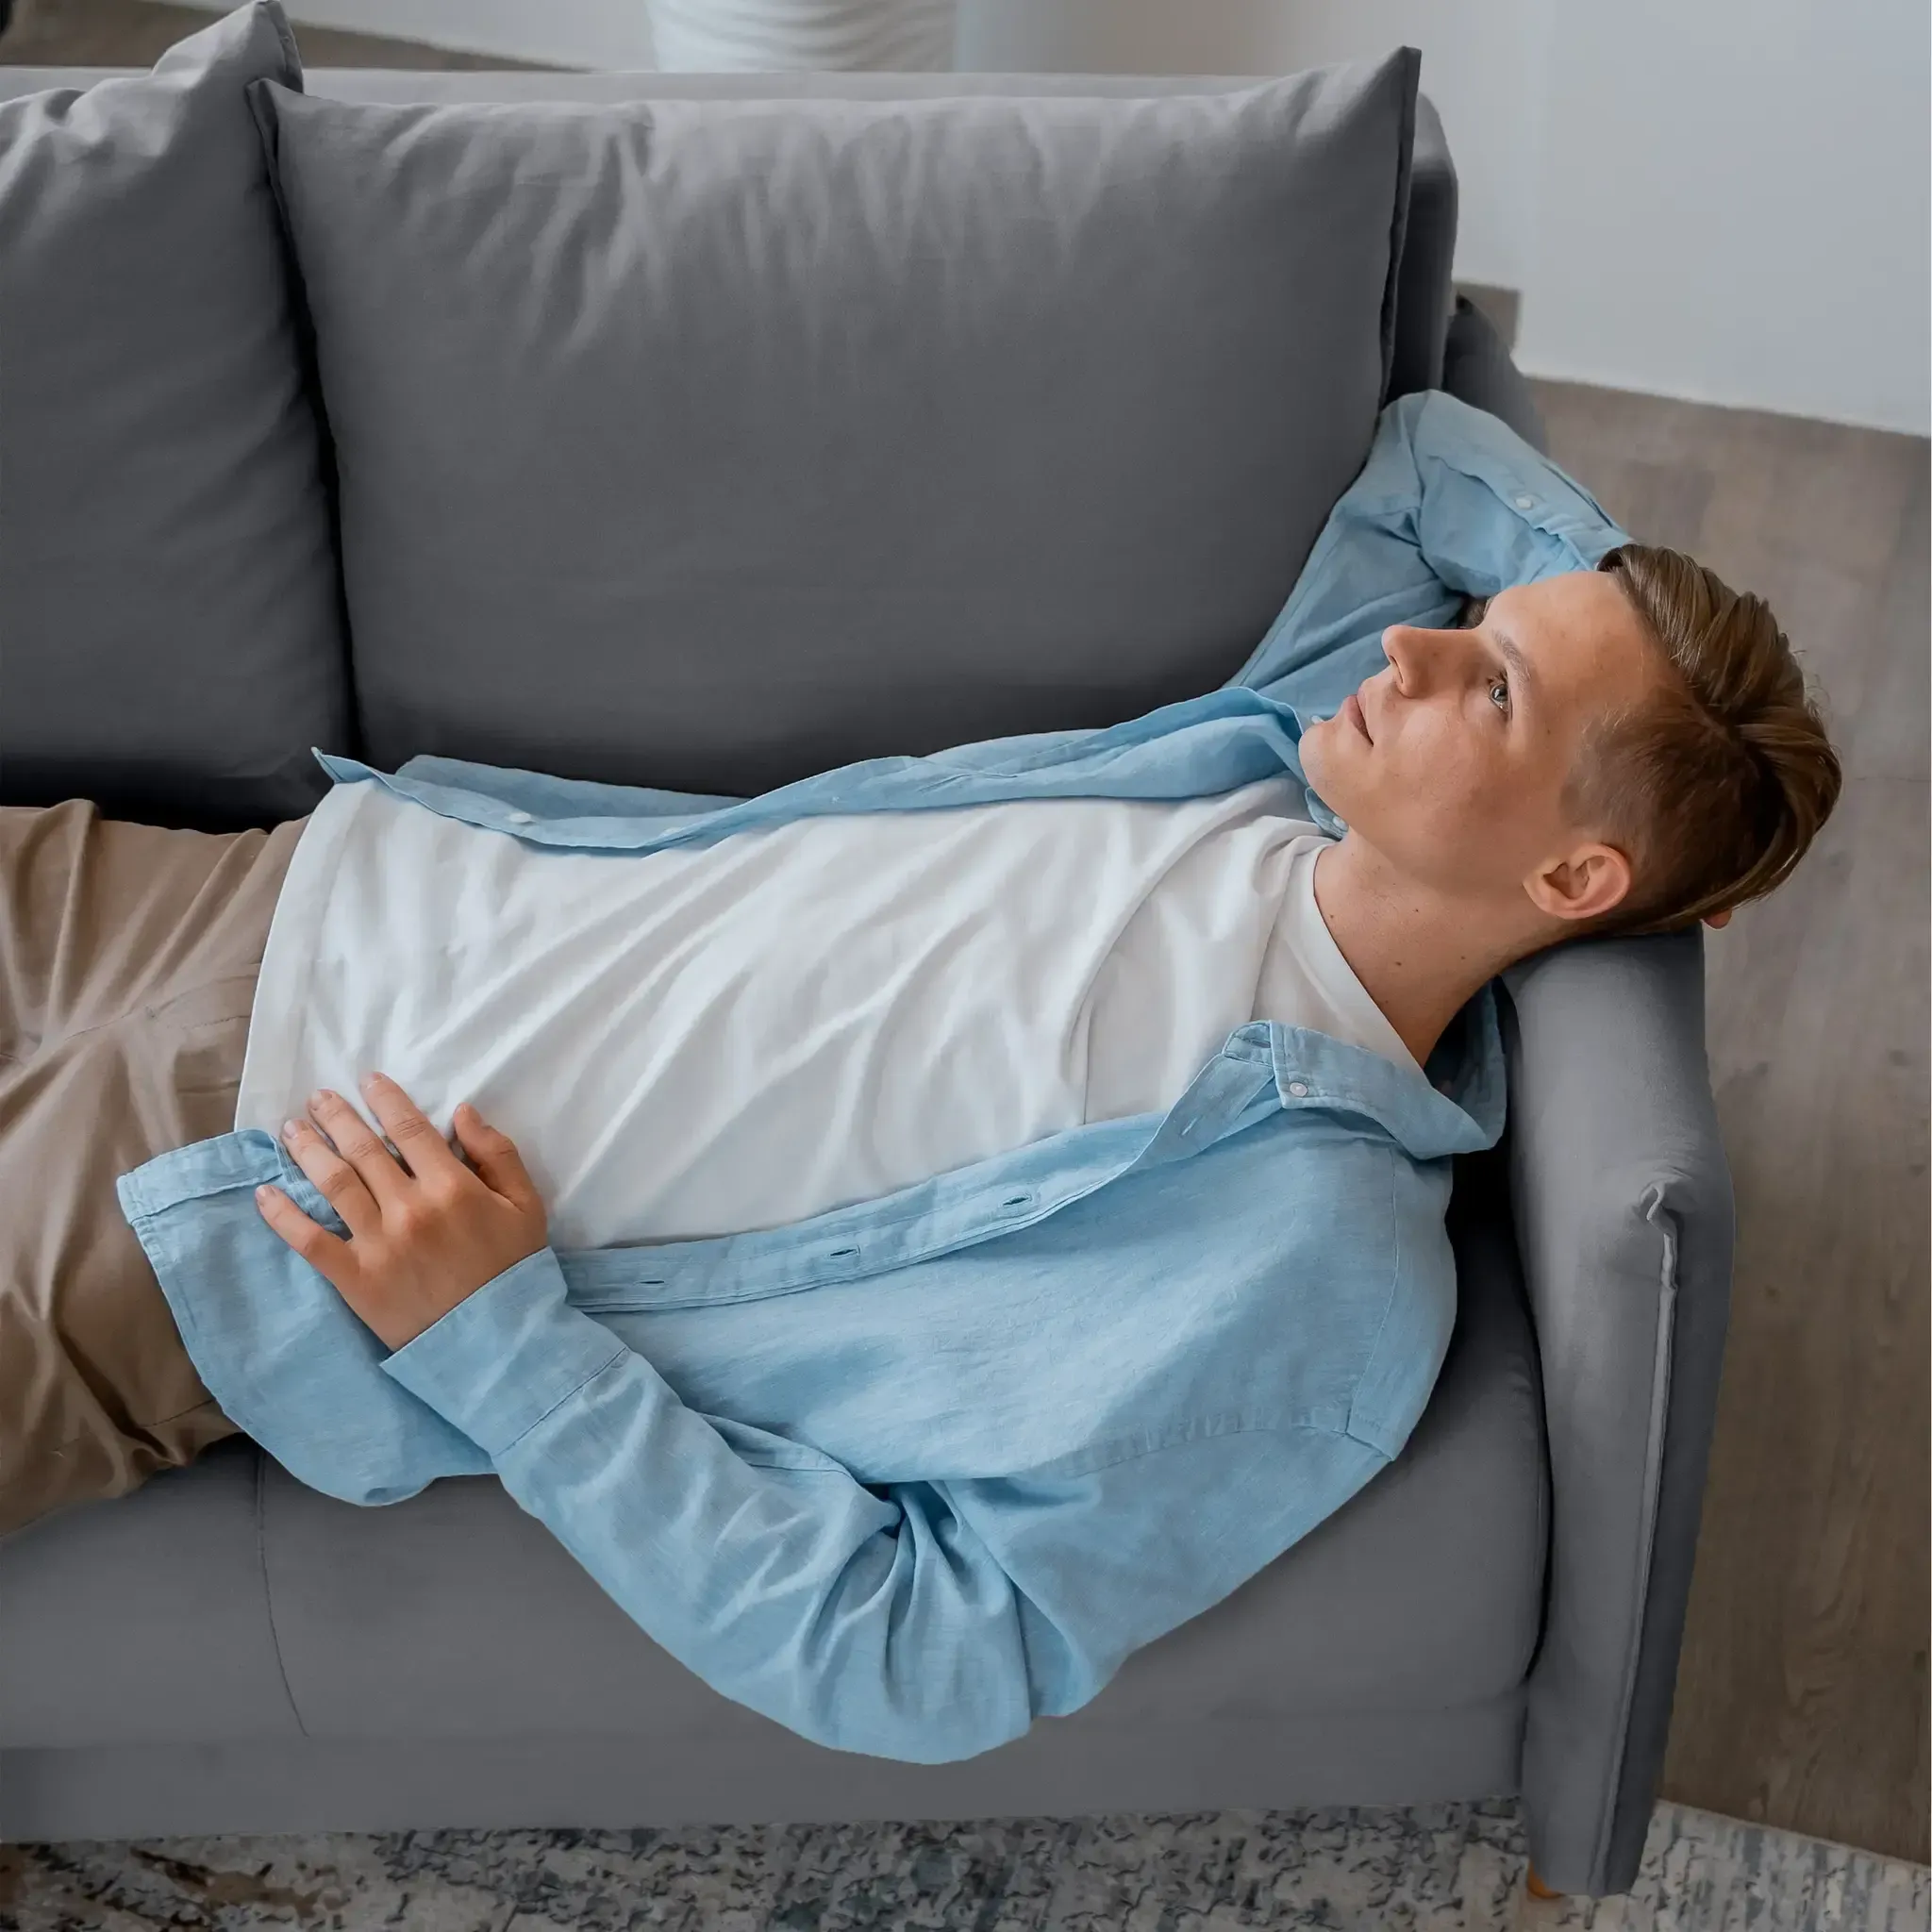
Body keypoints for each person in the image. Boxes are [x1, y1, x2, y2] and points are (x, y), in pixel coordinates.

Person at [0, 391, 1840, 1761]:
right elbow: (1434, 459)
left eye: (1494, 689)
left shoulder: (1321, 1267)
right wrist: (1622, 654)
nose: (1414, 648)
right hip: (258, 888)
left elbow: (930, 1657)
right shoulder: (1270, 759)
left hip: (239, 1205)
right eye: (1480, 634)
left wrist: (501, 1347)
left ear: (1574, 882)